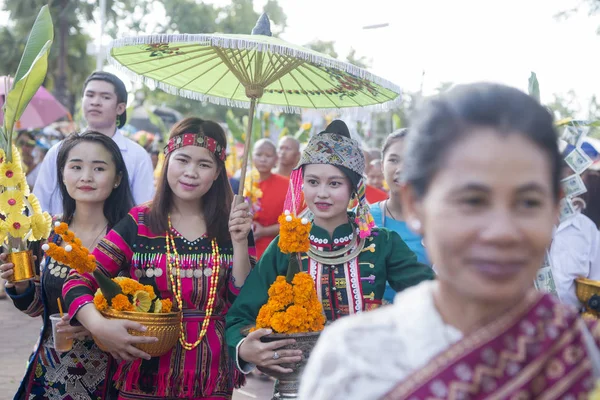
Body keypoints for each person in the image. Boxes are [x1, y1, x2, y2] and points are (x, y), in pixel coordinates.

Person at [298, 83, 600, 400]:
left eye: (528, 203)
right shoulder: (354, 361)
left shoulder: (581, 355)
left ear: (556, 208)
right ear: (416, 205)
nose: (501, 231)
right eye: (471, 201)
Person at [63, 117, 254, 400]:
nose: (191, 172)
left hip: (211, 378)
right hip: (144, 373)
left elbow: (244, 300)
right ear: (167, 161)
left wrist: (239, 242)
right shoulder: (138, 222)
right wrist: (100, 327)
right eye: (183, 160)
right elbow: (78, 278)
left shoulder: (234, 225)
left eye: (204, 165)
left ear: (217, 173)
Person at [225, 120, 434, 376]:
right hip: (298, 383)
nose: (322, 193)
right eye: (313, 182)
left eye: (334, 184)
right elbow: (239, 316)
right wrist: (245, 347)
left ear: (354, 189)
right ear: (302, 185)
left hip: (367, 379)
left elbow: (432, 296)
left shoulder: (381, 242)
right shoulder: (286, 245)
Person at [0, 131, 135, 399]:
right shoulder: (48, 234)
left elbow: (143, 308)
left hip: (111, 379)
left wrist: (96, 327)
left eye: (99, 168)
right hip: (50, 374)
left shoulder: (129, 237)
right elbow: (38, 306)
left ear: (118, 178)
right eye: (76, 167)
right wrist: (20, 284)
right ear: (62, 174)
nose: (86, 176)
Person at [34, 71, 154, 215]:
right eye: (90, 95)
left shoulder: (138, 156)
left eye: (105, 97)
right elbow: (39, 205)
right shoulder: (58, 150)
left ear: (120, 108)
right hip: (60, 235)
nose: (95, 102)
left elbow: (144, 212)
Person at [370, 129, 431, 303]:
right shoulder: (362, 219)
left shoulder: (440, 222)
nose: (401, 169)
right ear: (382, 165)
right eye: (394, 160)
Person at [251, 138, 289, 259]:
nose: (263, 159)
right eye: (259, 154)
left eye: (268, 155)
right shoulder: (242, 183)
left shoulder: (287, 185)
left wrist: (264, 231)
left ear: (276, 159)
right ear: (252, 156)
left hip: (275, 248)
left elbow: (295, 221)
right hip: (243, 247)